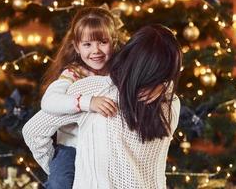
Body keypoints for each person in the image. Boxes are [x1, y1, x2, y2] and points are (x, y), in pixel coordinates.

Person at [23, 24, 182, 188]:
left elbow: (33, 131)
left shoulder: (95, 92)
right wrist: (164, 85)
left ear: (129, 53)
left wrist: (58, 171)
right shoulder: (171, 105)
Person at [38, 7, 119, 189]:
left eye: (103, 42)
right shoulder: (73, 73)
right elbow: (49, 101)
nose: (96, 50)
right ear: (76, 46)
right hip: (72, 147)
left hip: (104, 146)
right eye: (87, 44)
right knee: (60, 182)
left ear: (113, 42)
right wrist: (88, 102)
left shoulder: (118, 71)